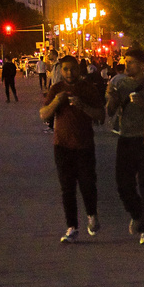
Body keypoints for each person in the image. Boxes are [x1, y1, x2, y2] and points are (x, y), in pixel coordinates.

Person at [42, 55, 105, 242]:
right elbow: (43, 113)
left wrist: (82, 105)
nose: (69, 73)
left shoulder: (87, 88)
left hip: (84, 144)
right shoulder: (56, 89)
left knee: (87, 184)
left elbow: (100, 115)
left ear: (79, 69)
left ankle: (92, 215)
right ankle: (72, 227)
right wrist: (56, 102)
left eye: (73, 69)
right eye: (66, 69)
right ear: (61, 70)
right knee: (67, 187)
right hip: (62, 145)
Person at [106, 50, 144, 243]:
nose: (127, 65)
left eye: (131, 62)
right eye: (126, 62)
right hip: (125, 138)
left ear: (142, 65)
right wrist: (111, 97)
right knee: (123, 184)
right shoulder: (120, 83)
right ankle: (138, 214)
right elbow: (110, 111)